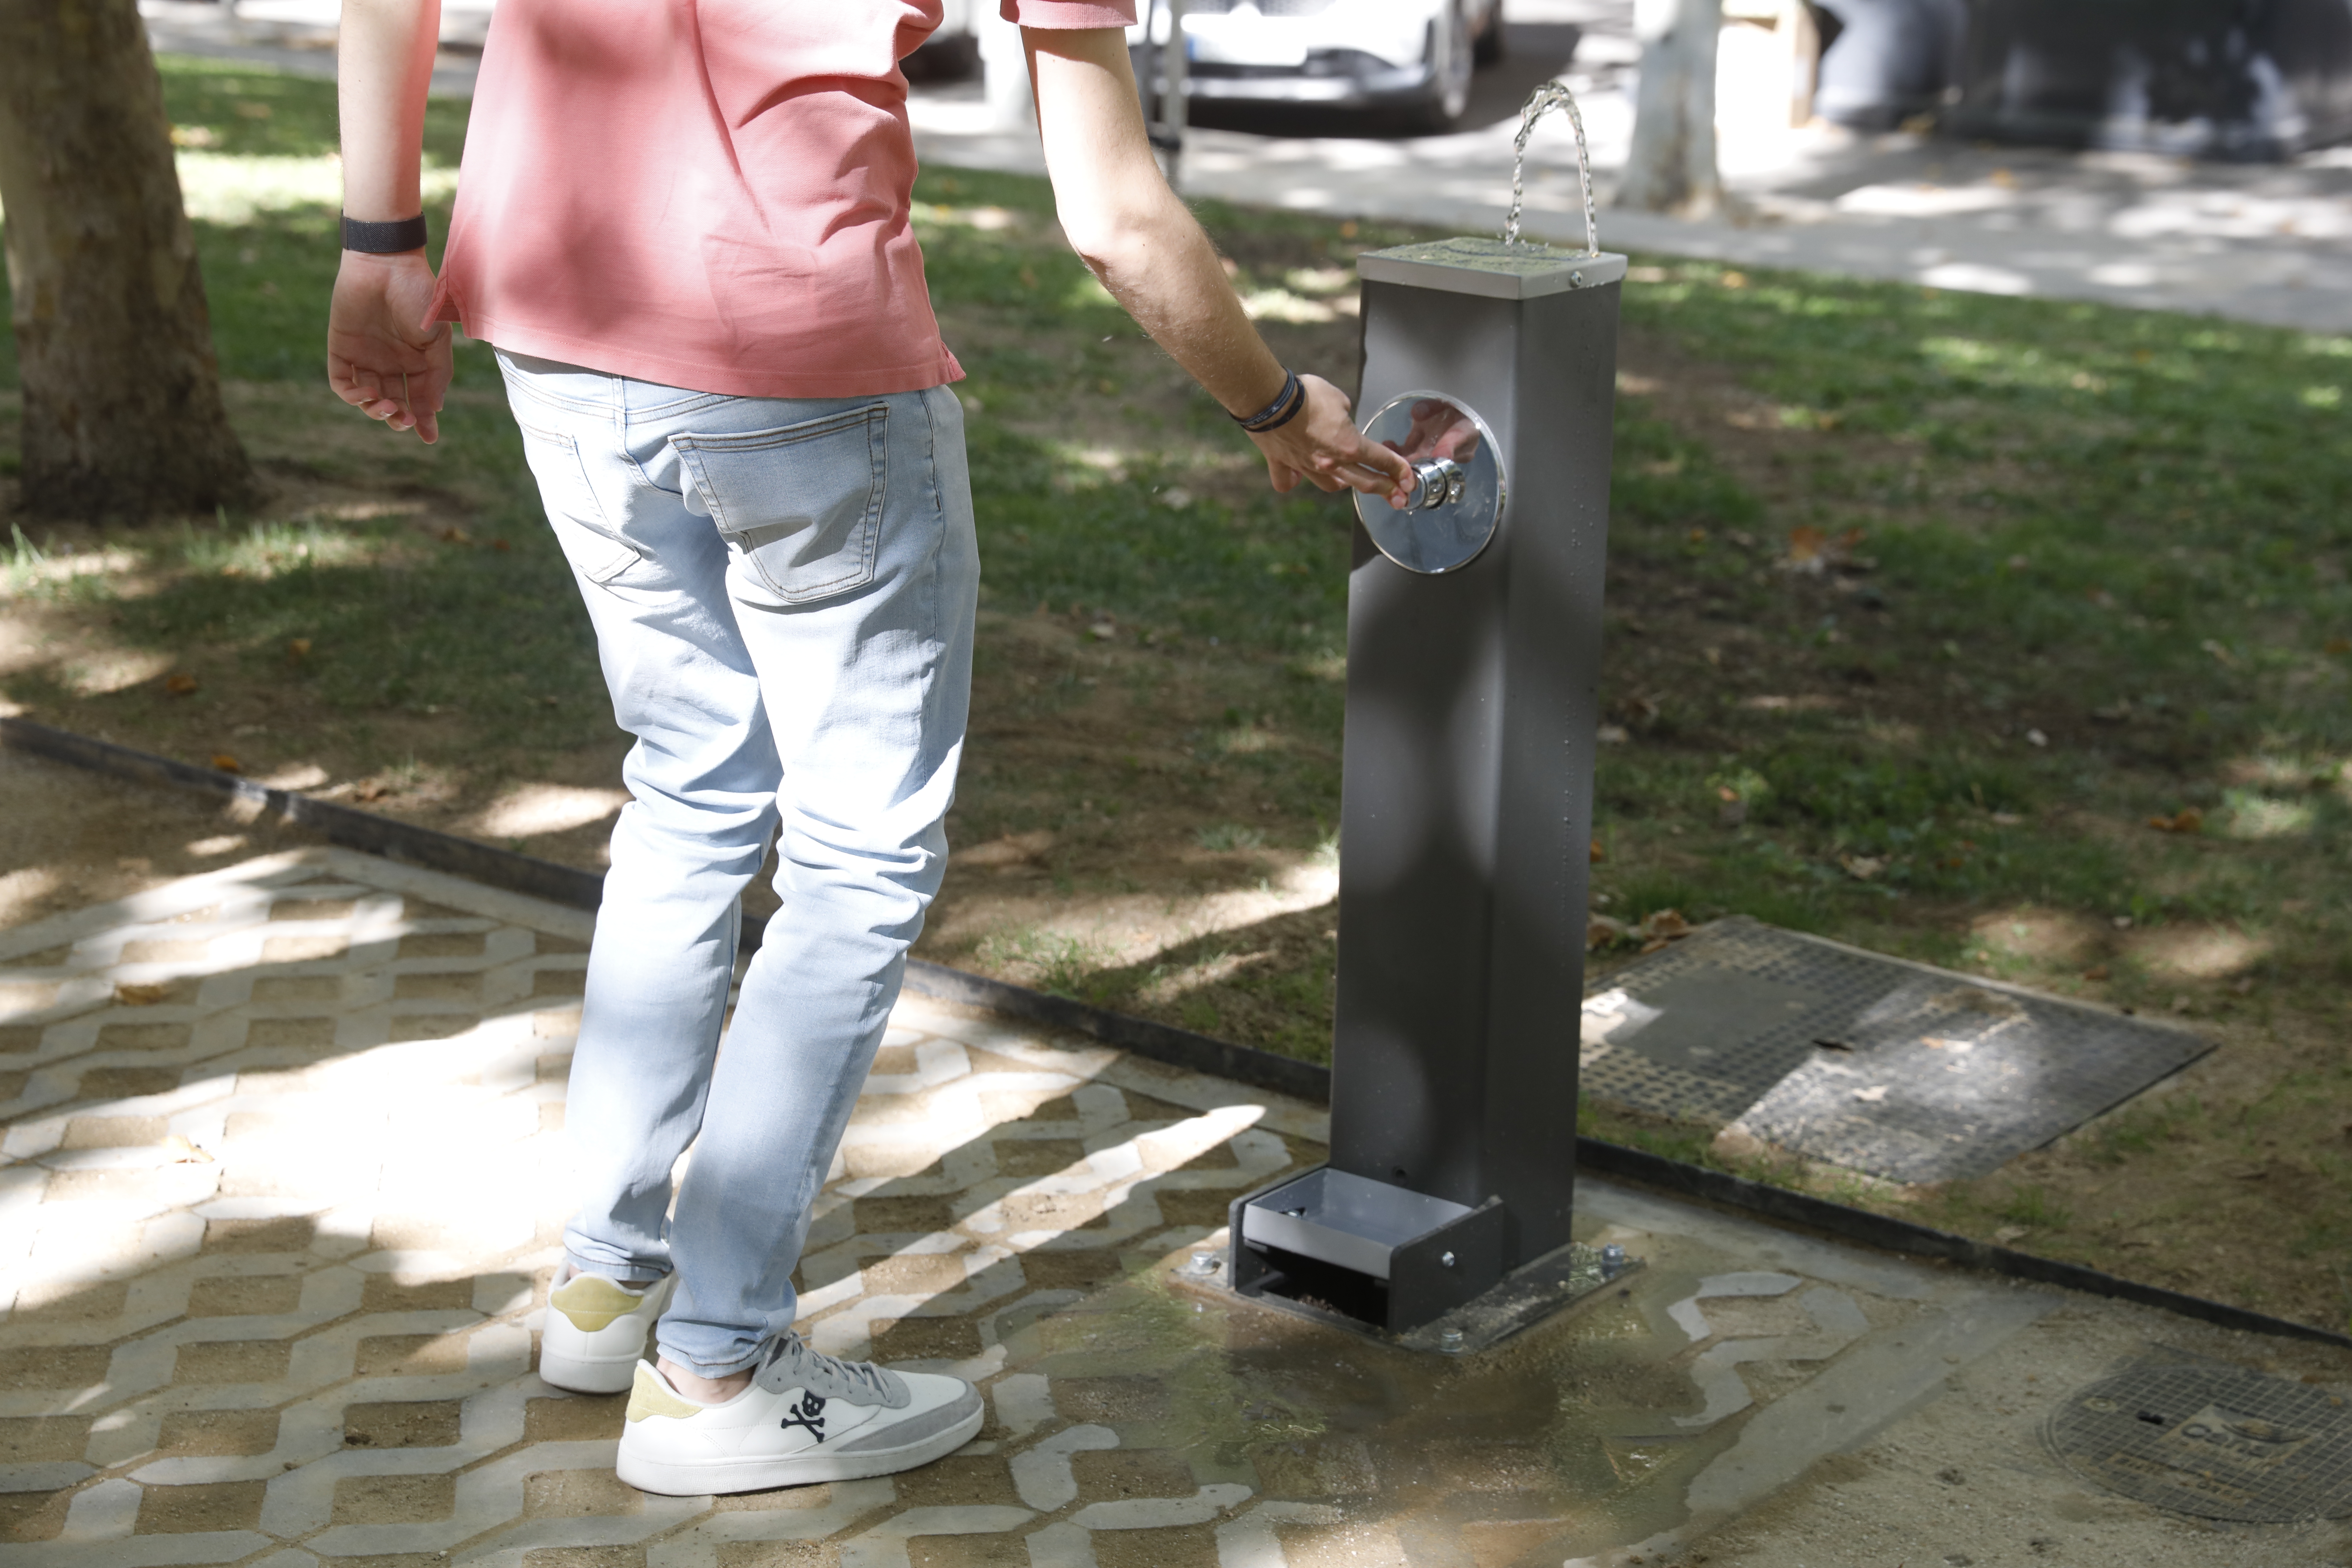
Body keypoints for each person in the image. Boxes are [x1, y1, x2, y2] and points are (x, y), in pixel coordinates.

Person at [328, 0, 1412, 1499]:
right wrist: (1275, 405)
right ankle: (716, 1369)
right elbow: (1112, 217)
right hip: (798, 361)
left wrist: (378, 238)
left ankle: (601, 1287)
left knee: (689, 785)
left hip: (549, 313)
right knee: (856, 853)